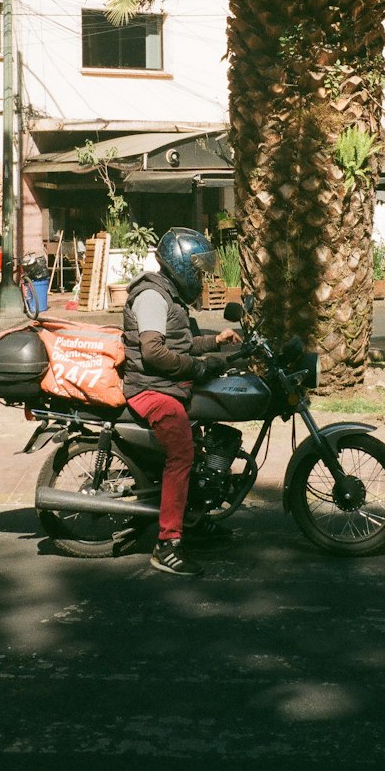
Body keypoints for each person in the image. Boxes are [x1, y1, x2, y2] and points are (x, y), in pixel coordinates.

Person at [122, 227, 238, 577]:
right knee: (182, 451)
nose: (201, 278)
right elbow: (154, 352)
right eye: (198, 270)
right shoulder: (152, 297)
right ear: (180, 264)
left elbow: (181, 344)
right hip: (149, 389)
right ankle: (168, 544)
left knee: (199, 436)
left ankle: (193, 516)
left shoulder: (169, 295)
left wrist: (217, 341)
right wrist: (197, 367)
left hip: (165, 384)